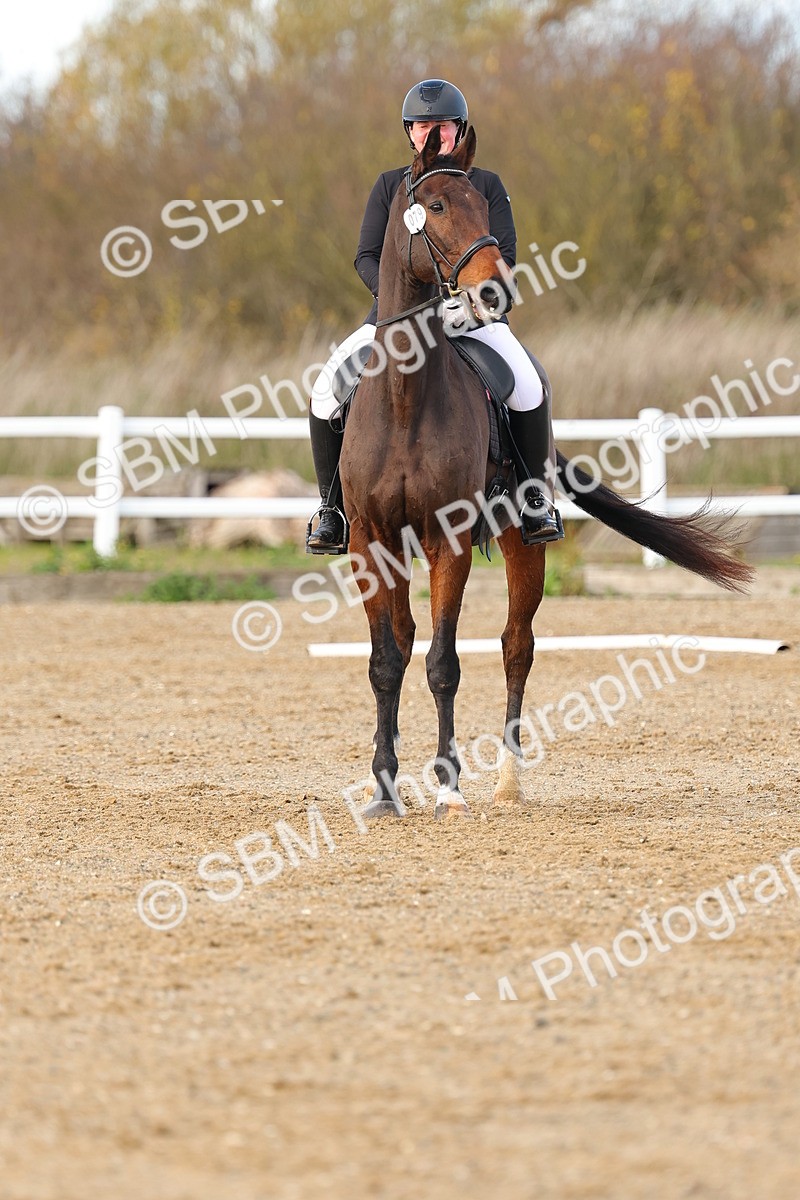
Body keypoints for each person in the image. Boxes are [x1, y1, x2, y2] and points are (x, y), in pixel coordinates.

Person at [306, 78, 563, 553]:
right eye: (422, 126)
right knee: (325, 392)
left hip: (473, 318)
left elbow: (502, 253)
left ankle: (535, 502)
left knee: (528, 385)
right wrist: (396, 305)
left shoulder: (486, 184)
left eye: (441, 127)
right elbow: (366, 255)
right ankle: (332, 510)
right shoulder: (389, 186)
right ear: (410, 132)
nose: (431, 135)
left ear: (458, 130)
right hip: (393, 320)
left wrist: (463, 305)